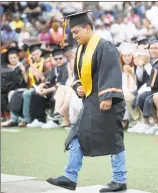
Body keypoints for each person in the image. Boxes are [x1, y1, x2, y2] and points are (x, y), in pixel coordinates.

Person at [46, 11, 127, 193]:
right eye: (72, 33)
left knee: (113, 139)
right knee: (76, 135)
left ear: (88, 28)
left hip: (108, 102)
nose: (74, 36)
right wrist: (78, 87)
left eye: (76, 32)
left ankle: (120, 180)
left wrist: (107, 97)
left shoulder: (105, 46)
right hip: (91, 101)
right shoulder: (81, 50)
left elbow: (112, 72)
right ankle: (69, 177)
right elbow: (77, 76)